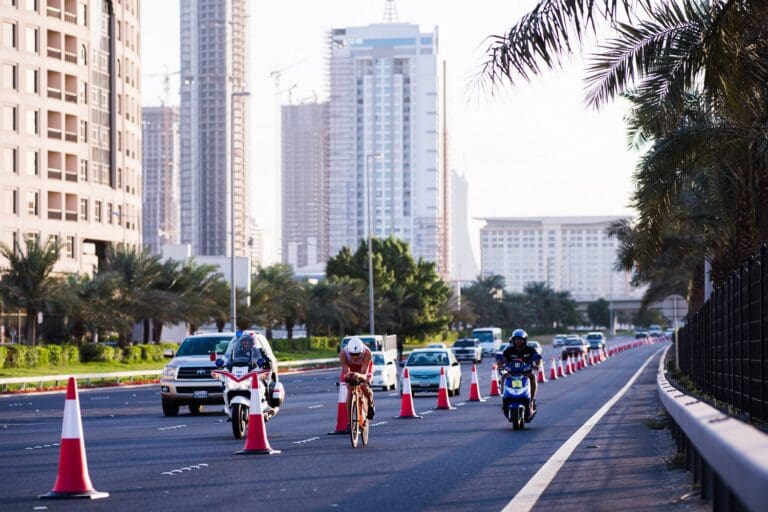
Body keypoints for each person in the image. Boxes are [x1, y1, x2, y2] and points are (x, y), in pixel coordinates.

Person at [501, 328, 541, 410]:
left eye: (520, 339)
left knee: (533, 377)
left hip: (526, 372)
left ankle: (532, 400)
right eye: (516, 339)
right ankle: (504, 398)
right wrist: (501, 365)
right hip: (512, 372)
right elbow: (503, 359)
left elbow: (537, 359)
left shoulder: (530, 349)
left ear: (524, 340)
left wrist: (537, 365)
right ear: (513, 340)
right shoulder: (509, 350)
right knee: (503, 376)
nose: (518, 341)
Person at [339, 336, 375, 420]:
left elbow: (364, 374)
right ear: (348, 351)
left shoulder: (367, 353)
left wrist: (359, 376)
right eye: (352, 354)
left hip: (363, 368)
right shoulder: (343, 354)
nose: (355, 357)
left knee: (364, 385)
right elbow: (346, 371)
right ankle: (349, 421)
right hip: (350, 368)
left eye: (358, 354)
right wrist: (348, 376)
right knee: (349, 388)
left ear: (361, 352)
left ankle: (370, 404)